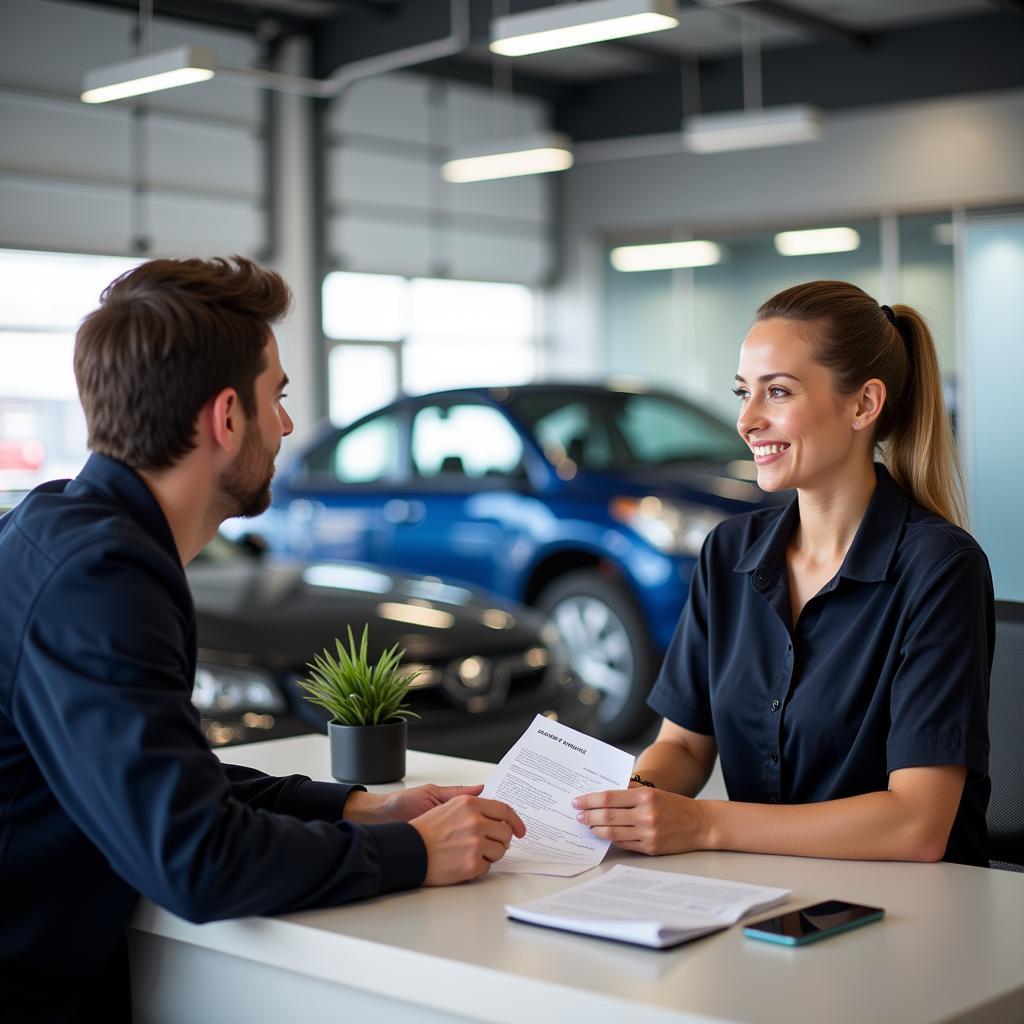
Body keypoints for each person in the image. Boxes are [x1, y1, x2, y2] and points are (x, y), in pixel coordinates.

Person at [0, 256, 525, 1023]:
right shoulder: (102, 579)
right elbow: (195, 859)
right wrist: (417, 853)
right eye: (277, 397)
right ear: (226, 417)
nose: (285, 426)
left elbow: (152, 776)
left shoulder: (63, 529)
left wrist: (356, 809)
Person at [574, 280, 994, 867]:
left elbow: (916, 824)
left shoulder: (939, 568)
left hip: (908, 912)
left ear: (863, 405)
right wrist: (633, 799)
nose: (746, 420)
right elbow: (684, 745)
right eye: (744, 392)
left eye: (777, 392)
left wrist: (703, 822)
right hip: (765, 896)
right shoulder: (727, 553)